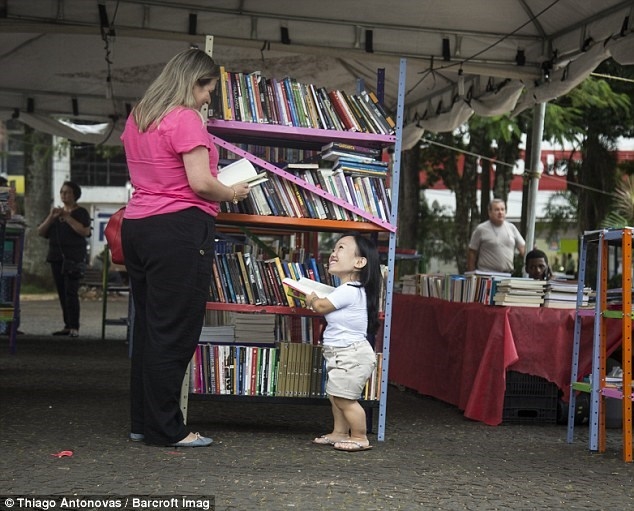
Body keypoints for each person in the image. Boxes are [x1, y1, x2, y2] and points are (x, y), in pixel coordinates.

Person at [120, 48, 250, 448]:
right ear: (194, 81)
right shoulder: (185, 118)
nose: (208, 99)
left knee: (148, 329)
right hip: (177, 228)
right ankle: (166, 430)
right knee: (174, 331)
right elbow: (200, 182)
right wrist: (231, 191)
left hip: (138, 225)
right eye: (208, 89)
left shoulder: (140, 115)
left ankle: (144, 422)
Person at [308, 234, 380, 452]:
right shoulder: (347, 290)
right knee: (336, 395)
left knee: (344, 398)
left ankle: (359, 436)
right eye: (333, 249)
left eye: (341, 248)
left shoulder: (350, 290)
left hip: (352, 354)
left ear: (359, 262)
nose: (333, 253)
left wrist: (311, 299)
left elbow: (321, 307)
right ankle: (339, 432)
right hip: (341, 353)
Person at [37, 181, 91, 337]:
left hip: (73, 258)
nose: (64, 195)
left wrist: (67, 217)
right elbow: (41, 232)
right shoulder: (55, 213)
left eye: (67, 192)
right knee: (61, 291)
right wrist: (51, 217)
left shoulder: (81, 213)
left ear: (75, 195)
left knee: (70, 291)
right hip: (56, 257)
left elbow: (84, 231)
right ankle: (67, 324)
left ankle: (74, 326)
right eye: (62, 192)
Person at [467, 198, 526, 274]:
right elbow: (472, 252)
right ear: (490, 212)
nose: (500, 212)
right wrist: (471, 273)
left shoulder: (511, 228)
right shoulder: (481, 229)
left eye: (502, 209)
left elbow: (523, 249)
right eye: (497, 210)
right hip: (486, 274)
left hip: (507, 274)